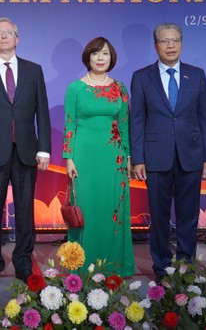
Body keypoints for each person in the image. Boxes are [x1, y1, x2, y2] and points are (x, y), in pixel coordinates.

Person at [0, 17, 51, 286]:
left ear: (17, 38)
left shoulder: (34, 71)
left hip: (26, 152)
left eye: (9, 33)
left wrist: (44, 149)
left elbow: (43, 114)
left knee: (26, 213)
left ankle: (23, 264)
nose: (4, 37)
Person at [129, 23, 206, 282]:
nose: (170, 46)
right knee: (159, 216)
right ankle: (162, 265)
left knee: (189, 215)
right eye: (165, 41)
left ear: (182, 43)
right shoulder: (142, 77)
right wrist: (138, 158)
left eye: (175, 40)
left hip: (191, 155)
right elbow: (137, 121)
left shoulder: (197, 75)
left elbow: (205, 117)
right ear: (155, 45)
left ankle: (187, 264)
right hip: (156, 157)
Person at [63, 37, 134, 277]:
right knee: (86, 208)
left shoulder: (120, 88)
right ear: (88, 58)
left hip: (113, 157)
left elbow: (124, 125)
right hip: (83, 155)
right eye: (96, 54)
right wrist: (68, 157)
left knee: (112, 208)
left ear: (111, 57)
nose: (101, 58)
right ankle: (81, 266)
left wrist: (128, 156)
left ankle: (115, 266)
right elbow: (70, 123)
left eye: (105, 53)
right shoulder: (75, 88)